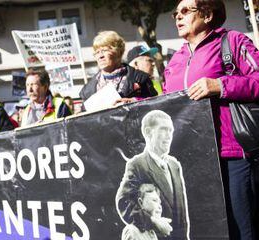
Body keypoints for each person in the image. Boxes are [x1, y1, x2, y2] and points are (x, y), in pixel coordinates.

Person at [164, 0, 259, 239]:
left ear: (207, 14)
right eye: (176, 13)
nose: (178, 16)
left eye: (186, 11)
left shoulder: (233, 41)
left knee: (242, 231)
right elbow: (167, 103)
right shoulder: (175, 59)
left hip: (233, 155)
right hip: (194, 161)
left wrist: (220, 85)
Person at [116, 110, 189, 240]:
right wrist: (152, 222)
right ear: (148, 132)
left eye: (170, 130)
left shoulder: (174, 165)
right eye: (163, 129)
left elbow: (181, 213)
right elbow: (124, 202)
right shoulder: (137, 164)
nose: (168, 136)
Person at [79, 31, 157, 105]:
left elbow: (155, 104)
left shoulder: (140, 78)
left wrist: (134, 101)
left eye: (104, 50)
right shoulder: (87, 90)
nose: (100, 56)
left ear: (118, 52)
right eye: (97, 52)